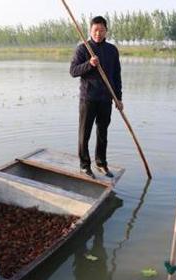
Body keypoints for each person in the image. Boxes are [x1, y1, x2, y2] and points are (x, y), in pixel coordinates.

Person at [70, 15, 122, 179]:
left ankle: (101, 163)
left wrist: (118, 98)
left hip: (106, 99)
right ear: (90, 31)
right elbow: (73, 71)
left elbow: (116, 76)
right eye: (95, 30)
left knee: (103, 132)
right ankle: (85, 165)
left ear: (106, 31)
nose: (98, 33)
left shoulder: (112, 50)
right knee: (84, 133)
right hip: (88, 98)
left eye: (101, 30)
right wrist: (89, 64)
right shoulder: (83, 49)